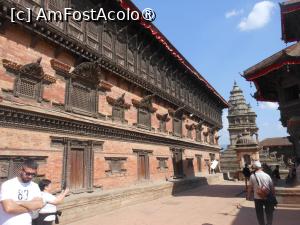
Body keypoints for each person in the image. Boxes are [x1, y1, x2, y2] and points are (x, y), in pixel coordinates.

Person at [0, 159, 44, 225]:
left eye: (33, 174)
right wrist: (31, 207)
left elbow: (39, 204)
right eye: (28, 173)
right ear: (21, 170)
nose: (30, 176)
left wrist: (19, 202)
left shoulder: (35, 186)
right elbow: (9, 208)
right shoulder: (8, 184)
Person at [247, 161, 275, 225]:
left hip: (257, 198)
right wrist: (273, 196)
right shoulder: (267, 175)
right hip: (268, 197)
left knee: (259, 214)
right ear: (261, 167)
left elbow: (250, 188)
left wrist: (248, 196)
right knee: (269, 212)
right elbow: (272, 187)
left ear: (254, 168)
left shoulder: (252, 176)